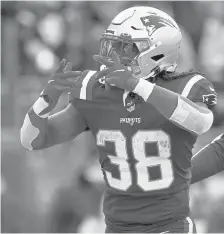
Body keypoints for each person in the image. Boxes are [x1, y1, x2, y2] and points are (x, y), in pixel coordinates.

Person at [20, 6, 217, 233]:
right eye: (113, 45)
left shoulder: (185, 86)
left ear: (157, 51)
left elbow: (202, 122)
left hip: (168, 226)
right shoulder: (96, 91)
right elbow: (32, 140)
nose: (116, 54)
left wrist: (137, 85)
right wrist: (46, 99)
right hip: (116, 228)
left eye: (128, 48)